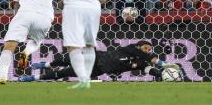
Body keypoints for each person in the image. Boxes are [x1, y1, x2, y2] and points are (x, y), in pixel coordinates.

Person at [19, 40, 181, 82]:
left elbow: (147, 68)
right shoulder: (132, 48)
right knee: (69, 58)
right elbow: (148, 58)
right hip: (98, 56)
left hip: (100, 69)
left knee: (65, 73)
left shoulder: (142, 61)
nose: (147, 51)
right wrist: (164, 64)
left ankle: (33, 78)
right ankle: (45, 64)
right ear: (140, 46)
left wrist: (159, 73)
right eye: (146, 48)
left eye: (149, 49)